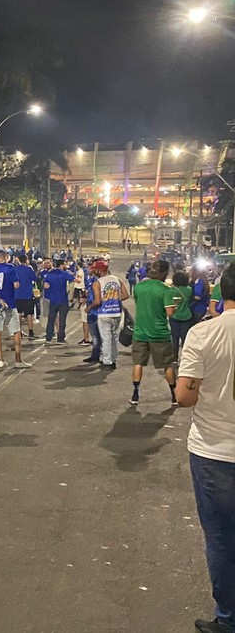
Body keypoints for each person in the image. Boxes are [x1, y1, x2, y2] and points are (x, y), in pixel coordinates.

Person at [175, 263, 235, 633]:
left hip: (214, 452)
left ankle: (228, 619)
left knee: (222, 539)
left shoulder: (204, 334)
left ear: (219, 293)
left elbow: (184, 396)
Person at [131, 259, 178, 406]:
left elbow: (139, 304)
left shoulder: (139, 287)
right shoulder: (166, 290)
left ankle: (135, 394)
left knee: (138, 363)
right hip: (159, 333)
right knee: (167, 365)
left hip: (140, 332)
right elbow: (170, 313)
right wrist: (176, 304)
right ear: (165, 273)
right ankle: (174, 395)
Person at [0, 250, 30, 369]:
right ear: (6, 257)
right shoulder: (11, 268)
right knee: (15, 330)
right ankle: (18, 360)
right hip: (10, 303)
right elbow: (16, 285)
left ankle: (0, 360)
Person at [90, 259, 128, 369]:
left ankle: (107, 361)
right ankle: (114, 359)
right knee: (115, 338)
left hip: (104, 313)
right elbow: (125, 295)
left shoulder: (97, 283)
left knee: (106, 338)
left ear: (99, 270)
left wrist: (90, 307)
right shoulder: (117, 279)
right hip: (117, 312)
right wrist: (115, 299)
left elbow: (97, 301)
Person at [41, 259, 75, 344]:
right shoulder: (65, 274)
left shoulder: (49, 274)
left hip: (53, 300)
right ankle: (60, 338)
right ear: (62, 265)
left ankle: (48, 337)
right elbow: (76, 280)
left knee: (51, 319)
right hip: (63, 300)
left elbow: (45, 286)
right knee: (62, 320)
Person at [170, 271, 195, 361]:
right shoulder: (189, 290)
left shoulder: (172, 290)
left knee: (175, 338)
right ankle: (185, 358)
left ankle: (175, 358)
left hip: (174, 316)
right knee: (185, 338)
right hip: (187, 316)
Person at [14, 254, 38, 338]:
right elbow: (35, 279)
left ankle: (19, 331)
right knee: (29, 314)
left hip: (17, 295)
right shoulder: (29, 269)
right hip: (28, 295)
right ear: (26, 260)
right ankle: (31, 332)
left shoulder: (15, 269)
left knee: (19, 314)